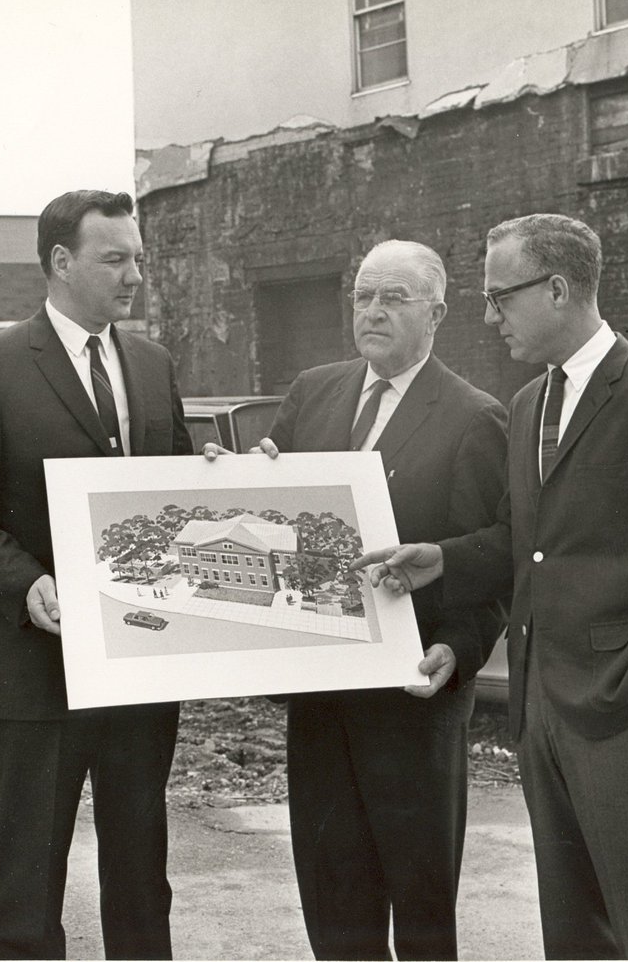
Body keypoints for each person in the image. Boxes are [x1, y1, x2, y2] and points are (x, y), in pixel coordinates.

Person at [356, 214, 628, 959]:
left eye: (501, 297)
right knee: (573, 931)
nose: (489, 316)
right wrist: (443, 558)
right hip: (543, 707)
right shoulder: (530, 403)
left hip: (623, 707)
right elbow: (522, 541)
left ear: (558, 290)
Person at [207, 239, 508, 960]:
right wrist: (235, 478)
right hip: (320, 691)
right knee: (333, 894)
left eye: (393, 298)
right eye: (363, 296)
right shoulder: (314, 390)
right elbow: (271, 507)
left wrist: (459, 649)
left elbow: (493, 556)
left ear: (436, 313)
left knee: (421, 898)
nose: (373, 311)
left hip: (412, 698)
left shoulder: (475, 416)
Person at [0, 190, 193, 960]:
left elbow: (174, 495)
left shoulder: (153, 365)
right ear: (61, 262)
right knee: (28, 882)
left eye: (139, 259)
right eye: (116, 259)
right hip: (36, 673)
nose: (135, 275)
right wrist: (25, 584)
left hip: (138, 666)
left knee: (141, 876)